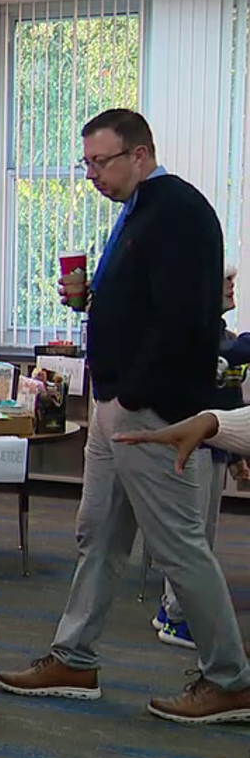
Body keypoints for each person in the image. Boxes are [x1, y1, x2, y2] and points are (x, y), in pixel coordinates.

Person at [0, 109, 250, 724]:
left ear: (140, 154)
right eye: (85, 163)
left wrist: (134, 396)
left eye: (101, 161)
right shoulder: (137, 212)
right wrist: (93, 303)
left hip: (150, 413)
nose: (92, 175)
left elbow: (185, 320)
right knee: (99, 537)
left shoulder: (179, 212)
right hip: (117, 406)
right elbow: (143, 306)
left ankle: (231, 680)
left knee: (178, 548)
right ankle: (74, 656)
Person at [148, 266, 250, 648]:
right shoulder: (195, 335)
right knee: (192, 537)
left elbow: (228, 397)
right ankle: (178, 617)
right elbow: (228, 353)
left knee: (202, 534)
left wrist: (237, 453)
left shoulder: (224, 336)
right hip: (190, 451)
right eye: (224, 281)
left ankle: (169, 607)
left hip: (216, 448)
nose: (231, 287)